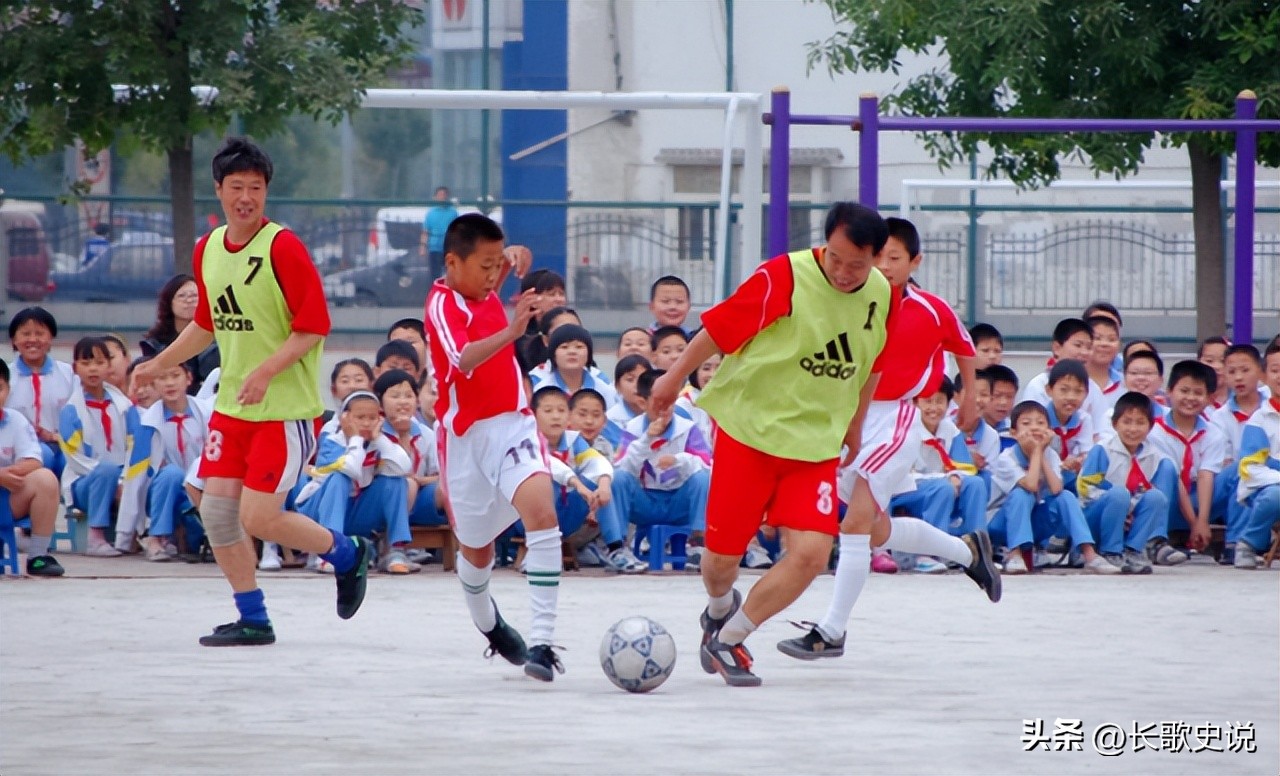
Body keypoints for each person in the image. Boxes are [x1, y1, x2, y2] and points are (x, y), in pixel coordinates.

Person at [130, 137, 375, 647]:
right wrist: (155, 364)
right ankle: (253, 617)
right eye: (236, 187)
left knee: (259, 516)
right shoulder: (208, 249)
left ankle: (348, 552)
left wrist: (266, 370)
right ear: (218, 190)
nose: (246, 197)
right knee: (216, 512)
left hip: (283, 410)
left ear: (267, 192)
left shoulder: (282, 246)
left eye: (256, 188)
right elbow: (206, 324)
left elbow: (313, 327)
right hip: (232, 409)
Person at [649, 203, 886, 685]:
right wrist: (672, 379)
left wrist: (855, 424)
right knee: (720, 562)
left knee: (813, 554)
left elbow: (871, 363)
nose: (843, 273)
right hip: (748, 433)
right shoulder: (785, 276)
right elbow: (718, 328)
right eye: (835, 259)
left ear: (877, 260)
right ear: (825, 245)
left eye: (856, 265)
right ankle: (720, 608)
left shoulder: (882, 294)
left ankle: (730, 638)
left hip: (814, 444)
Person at [779, 215, 1000, 663]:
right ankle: (967, 550)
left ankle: (832, 630)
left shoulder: (931, 308)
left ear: (915, 261)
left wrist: (970, 398)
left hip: (897, 417)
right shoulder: (852, 303)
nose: (883, 266)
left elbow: (963, 348)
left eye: (894, 258)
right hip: (845, 416)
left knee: (856, 523)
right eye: (877, 257)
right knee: (876, 529)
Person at [423, 212, 567, 681]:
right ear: (452, 263)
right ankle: (489, 623)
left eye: (494, 266)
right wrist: (512, 329)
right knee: (477, 551)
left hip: (513, 425)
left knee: (542, 513)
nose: (491, 276)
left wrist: (514, 257)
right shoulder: (441, 305)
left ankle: (543, 644)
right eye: (483, 267)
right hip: (465, 439)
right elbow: (463, 358)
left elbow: (502, 266)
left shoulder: (484, 285)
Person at [986, 401, 1119, 575]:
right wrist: (1035, 452)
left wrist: (1040, 453)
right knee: (1021, 494)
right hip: (1002, 524)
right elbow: (1031, 486)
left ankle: (1089, 555)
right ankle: (1014, 554)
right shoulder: (1007, 458)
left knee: (1066, 496)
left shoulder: (1050, 454)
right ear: (1014, 433)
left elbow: (1056, 489)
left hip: (1034, 522)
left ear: (1049, 431)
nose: (1034, 428)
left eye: (1040, 423)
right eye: (1026, 424)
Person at [297, 391, 414, 574]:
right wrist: (356, 439)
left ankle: (395, 550)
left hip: (355, 512)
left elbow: (404, 467)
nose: (366, 423)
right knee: (340, 478)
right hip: (317, 512)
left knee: (396, 482)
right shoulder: (331, 442)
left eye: (372, 417)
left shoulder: (379, 443)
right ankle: (329, 550)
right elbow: (350, 469)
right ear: (345, 418)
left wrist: (379, 439)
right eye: (360, 417)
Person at [533, 386, 644, 573]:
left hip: (567, 514)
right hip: (529, 519)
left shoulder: (573, 440)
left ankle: (616, 549)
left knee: (603, 480)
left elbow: (596, 461)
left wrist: (604, 483)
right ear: (533, 415)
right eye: (548, 411)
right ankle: (536, 553)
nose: (555, 416)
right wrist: (577, 484)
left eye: (561, 411)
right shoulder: (529, 440)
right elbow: (550, 465)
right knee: (542, 482)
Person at [611, 369, 712, 568]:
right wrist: (646, 439)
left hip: (678, 502)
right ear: (643, 402)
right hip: (645, 503)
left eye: (670, 402)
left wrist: (678, 460)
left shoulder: (687, 428)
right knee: (619, 478)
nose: (665, 409)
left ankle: (698, 543)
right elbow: (623, 467)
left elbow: (707, 464)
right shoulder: (633, 428)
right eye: (659, 403)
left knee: (702, 478)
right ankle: (619, 547)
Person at [889, 376, 988, 573]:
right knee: (943, 488)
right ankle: (930, 553)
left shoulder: (949, 429)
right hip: (905, 489)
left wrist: (956, 477)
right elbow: (903, 472)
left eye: (939, 401)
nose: (934, 408)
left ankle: (975, 551)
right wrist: (945, 478)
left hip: (940, 484)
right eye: (928, 401)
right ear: (915, 403)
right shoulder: (905, 429)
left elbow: (964, 466)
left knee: (976, 484)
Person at [118, 361, 213, 561]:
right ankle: (156, 537)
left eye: (175, 376)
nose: (169, 383)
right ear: (154, 384)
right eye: (162, 378)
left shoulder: (206, 414)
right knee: (172, 473)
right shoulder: (148, 423)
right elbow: (136, 475)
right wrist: (126, 533)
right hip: (160, 492)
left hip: (198, 491)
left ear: (188, 379)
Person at [60, 336, 145, 557]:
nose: (93, 369)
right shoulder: (72, 410)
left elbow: (136, 445)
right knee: (105, 470)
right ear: (75, 368)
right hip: (84, 482)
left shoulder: (124, 407)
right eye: (86, 363)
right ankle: (95, 536)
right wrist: (108, 475)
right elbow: (74, 458)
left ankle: (155, 537)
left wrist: (124, 477)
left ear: (109, 366)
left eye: (99, 363)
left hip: (122, 475)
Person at [1077, 391, 1171, 574]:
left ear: (1150, 426)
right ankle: (1111, 551)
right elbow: (1085, 489)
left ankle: (1133, 550)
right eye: (1127, 422)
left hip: (1126, 517)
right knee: (1119, 494)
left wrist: (1130, 507)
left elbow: (1144, 489)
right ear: (1115, 424)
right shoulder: (1103, 450)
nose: (1133, 429)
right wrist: (1122, 503)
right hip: (1096, 514)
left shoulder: (1152, 455)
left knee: (1157, 497)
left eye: (1140, 422)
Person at [1147, 361, 1228, 564]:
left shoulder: (1213, 433)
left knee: (1237, 472)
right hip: (1169, 501)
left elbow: (1205, 475)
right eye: (1184, 391)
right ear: (1169, 392)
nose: (1191, 398)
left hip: (1198, 500)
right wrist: (1195, 524)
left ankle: (1236, 543)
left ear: (1210, 398)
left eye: (1198, 393)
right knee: (1166, 468)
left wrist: (1202, 520)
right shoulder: (1155, 430)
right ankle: (1156, 541)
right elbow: (1175, 480)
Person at [0, 359, 65, 576]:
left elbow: (33, 459)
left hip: (7, 500)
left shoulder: (15, 420)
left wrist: (8, 476)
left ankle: (38, 555)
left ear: (8, 390)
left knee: (44, 478)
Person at [1209, 344, 1267, 564]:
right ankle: (1235, 542)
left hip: (1267, 477)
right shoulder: (1220, 416)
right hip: (1230, 482)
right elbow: (1222, 462)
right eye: (1231, 372)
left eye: (1245, 370)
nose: (1238, 378)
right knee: (1241, 469)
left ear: (1260, 372)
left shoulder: (1271, 408)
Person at [6, 307, 75, 475]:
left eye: (39, 333)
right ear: (14, 339)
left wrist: (57, 437)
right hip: (21, 450)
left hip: (64, 444)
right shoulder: (6, 376)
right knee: (43, 455)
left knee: (71, 460)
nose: (33, 339)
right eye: (26, 334)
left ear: (51, 337)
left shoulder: (69, 374)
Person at [1233, 342, 1280, 569]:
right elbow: (1250, 468)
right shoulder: (1259, 421)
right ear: (1264, 375)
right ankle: (1249, 544)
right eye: (1275, 370)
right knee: (1275, 496)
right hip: (1265, 487)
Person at [140, 274, 221, 395]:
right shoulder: (155, 344)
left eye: (194, 295)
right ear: (169, 302)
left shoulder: (218, 338)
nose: (189, 300)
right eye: (182, 296)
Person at [420, 185, 458, 280]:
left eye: (444, 194)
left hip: (449, 248)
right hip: (434, 248)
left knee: (450, 273)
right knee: (435, 274)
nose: (442, 196)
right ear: (435, 197)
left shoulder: (453, 212)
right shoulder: (430, 213)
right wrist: (423, 246)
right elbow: (425, 231)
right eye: (440, 194)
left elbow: (457, 231)